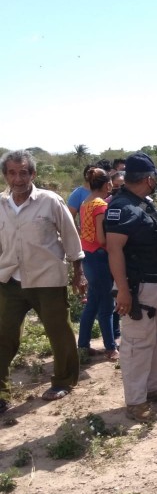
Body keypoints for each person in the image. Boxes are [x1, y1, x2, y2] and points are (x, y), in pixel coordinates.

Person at [0, 150, 86, 411]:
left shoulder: (50, 201)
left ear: (33, 174)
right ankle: (1, 393)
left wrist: (78, 273)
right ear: (5, 175)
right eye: (12, 173)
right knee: (3, 335)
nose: (18, 178)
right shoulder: (0, 205)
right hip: (9, 281)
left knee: (58, 331)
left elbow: (71, 238)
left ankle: (63, 380)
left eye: (23, 172)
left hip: (47, 279)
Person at [105, 153, 157, 422]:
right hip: (140, 287)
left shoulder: (143, 204)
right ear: (149, 179)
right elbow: (114, 250)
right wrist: (124, 290)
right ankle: (136, 402)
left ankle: (153, 387)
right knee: (137, 344)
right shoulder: (122, 207)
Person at [76, 167, 118, 360]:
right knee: (106, 305)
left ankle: (83, 344)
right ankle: (111, 348)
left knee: (92, 303)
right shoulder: (100, 204)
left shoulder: (86, 201)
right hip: (100, 257)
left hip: (88, 256)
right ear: (106, 184)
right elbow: (102, 238)